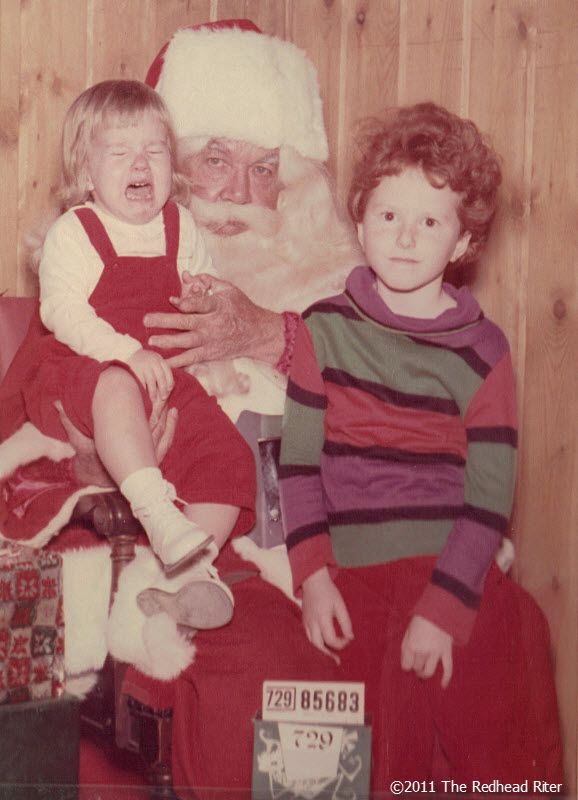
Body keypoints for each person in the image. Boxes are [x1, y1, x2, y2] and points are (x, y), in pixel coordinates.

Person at [0, 20, 562, 795]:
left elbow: (407, 421)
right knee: (264, 667)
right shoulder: (88, 288)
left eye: (264, 168)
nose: (237, 191)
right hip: (197, 549)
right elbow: (40, 412)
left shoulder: (336, 305)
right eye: (214, 160)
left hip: (340, 548)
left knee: (506, 631)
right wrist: (99, 464)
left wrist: (266, 333)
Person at [278, 102, 563, 790]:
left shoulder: (484, 352)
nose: (405, 238)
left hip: (449, 570)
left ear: (463, 242)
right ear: (359, 222)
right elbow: (298, 467)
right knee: (372, 763)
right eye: (388, 215)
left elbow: (489, 500)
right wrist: (313, 579)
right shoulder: (320, 331)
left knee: (489, 741)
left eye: (430, 222)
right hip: (352, 579)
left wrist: (442, 611)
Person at [3, 79, 256, 627]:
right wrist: (125, 353)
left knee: (230, 457)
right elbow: (61, 311)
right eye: (120, 152)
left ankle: (192, 571)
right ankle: (157, 511)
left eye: (155, 150)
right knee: (116, 383)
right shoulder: (76, 230)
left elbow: (206, 291)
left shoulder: (181, 226)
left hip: (162, 375)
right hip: (81, 370)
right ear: (85, 172)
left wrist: (202, 298)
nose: (141, 163)